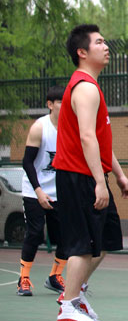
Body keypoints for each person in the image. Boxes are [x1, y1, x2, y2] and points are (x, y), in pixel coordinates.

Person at [53, 24, 128, 321]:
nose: (106, 46)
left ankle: (76, 292)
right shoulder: (85, 88)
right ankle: (68, 306)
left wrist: (119, 175)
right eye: (99, 42)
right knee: (83, 245)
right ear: (82, 52)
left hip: (91, 174)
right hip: (79, 176)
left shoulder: (92, 86)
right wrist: (100, 182)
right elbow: (87, 137)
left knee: (105, 240)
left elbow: (99, 140)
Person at [17, 85, 68, 297]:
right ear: (50, 104)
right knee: (35, 233)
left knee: (66, 236)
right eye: (60, 103)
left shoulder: (71, 128)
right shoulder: (40, 128)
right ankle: (24, 279)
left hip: (59, 193)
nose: (65, 107)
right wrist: (38, 191)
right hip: (34, 190)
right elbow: (27, 162)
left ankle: (55, 276)